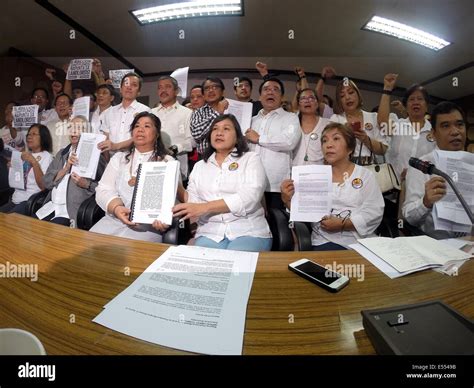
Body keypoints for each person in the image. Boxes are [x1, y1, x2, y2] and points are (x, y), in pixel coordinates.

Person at [174, 114, 272, 251]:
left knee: (235, 263)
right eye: (215, 129)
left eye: (226, 129)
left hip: (248, 229)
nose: (219, 133)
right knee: (204, 266)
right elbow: (194, 201)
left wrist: (205, 207)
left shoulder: (251, 159)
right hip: (210, 231)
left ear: (237, 137)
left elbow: (250, 197)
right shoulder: (200, 166)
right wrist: (173, 183)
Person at [281, 122, 384, 250]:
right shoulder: (313, 176)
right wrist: (287, 200)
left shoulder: (365, 175)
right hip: (325, 240)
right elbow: (306, 213)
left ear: (350, 148)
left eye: (336, 139)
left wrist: (344, 224)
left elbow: (374, 211)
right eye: (324, 141)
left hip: (363, 241)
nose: (328, 145)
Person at [90, 112, 172, 242]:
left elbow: (172, 200)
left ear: (156, 134)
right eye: (137, 126)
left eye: (147, 126)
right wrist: (116, 208)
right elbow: (103, 189)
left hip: (147, 227)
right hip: (113, 221)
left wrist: (163, 219)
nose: (140, 129)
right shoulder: (119, 158)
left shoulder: (167, 162)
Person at [402, 101, 468, 239]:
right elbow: (408, 216)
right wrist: (425, 202)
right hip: (437, 244)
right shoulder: (422, 166)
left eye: (459, 124)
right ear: (433, 133)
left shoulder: (471, 164)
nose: (455, 131)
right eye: (445, 126)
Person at [245, 77, 301, 208]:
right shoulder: (251, 120)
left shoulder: (291, 118)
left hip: (277, 186)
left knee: (277, 224)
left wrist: (259, 138)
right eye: (266, 89)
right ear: (260, 96)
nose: (270, 92)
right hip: (250, 184)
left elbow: (289, 141)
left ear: (281, 97)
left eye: (276, 90)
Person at [41, 116, 106, 226]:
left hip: (70, 212)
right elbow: (46, 181)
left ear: (87, 132)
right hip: (50, 207)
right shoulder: (62, 153)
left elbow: (104, 188)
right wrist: (65, 169)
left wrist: (86, 184)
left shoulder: (96, 156)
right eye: (71, 127)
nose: (74, 131)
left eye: (79, 127)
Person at [379, 76, 435, 182]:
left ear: (427, 106)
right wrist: (387, 89)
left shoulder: (434, 132)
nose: (416, 102)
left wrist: (413, 175)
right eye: (411, 99)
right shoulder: (398, 125)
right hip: (395, 189)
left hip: (423, 190)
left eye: (420, 99)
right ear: (406, 106)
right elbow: (382, 122)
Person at [330, 79, 388, 164]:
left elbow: (383, 150)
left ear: (358, 94)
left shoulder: (374, 117)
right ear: (339, 101)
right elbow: (330, 148)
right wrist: (345, 134)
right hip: (344, 167)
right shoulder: (335, 119)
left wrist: (365, 139)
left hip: (370, 168)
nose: (347, 97)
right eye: (342, 96)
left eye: (351, 93)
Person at [0, 124, 53, 214]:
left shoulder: (47, 157)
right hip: (15, 198)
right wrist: (12, 170)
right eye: (28, 134)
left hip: (31, 201)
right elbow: (15, 182)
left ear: (43, 137)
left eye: (34, 134)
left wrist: (34, 163)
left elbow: (43, 186)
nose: (29, 137)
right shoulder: (22, 155)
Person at [150, 76, 193, 180]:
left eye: (167, 87)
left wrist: (174, 149)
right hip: (151, 167)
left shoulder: (187, 113)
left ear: (176, 91)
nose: (163, 90)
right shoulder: (151, 112)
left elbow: (192, 141)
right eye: (160, 87)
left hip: (177, 169)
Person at [98, 72, 150, 154]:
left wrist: (116, 146)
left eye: (134, 85)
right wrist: (107, 162)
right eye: (126, 83)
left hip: (134, 157)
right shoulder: (109, 112)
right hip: (112, 160)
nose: (129, 87)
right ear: (121, 89)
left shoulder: (145, 111)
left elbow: (141, 136)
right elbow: (106, 138)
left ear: (139, 92)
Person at [190, 77, 229, 155]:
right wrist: (217, 112)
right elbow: (196, 133)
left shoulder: (233, 108)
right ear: (203, 95)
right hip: (205, 158)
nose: (211, 90)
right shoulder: (198, 112)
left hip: (231, 157)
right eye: (207, 88)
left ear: (222, 92)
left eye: (215, 87)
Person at [292, 88, 330, 166]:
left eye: (311, 98)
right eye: (303, 98)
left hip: (319, 173)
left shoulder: (327, 124)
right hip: (294, 172)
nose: (307, 101)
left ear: (317, 103)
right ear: (298, 104)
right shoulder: (291, 124)